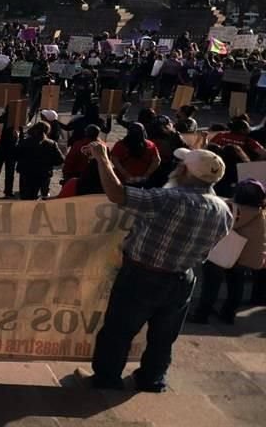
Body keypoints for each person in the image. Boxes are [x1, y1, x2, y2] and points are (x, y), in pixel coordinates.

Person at [81, 142, 231, 393]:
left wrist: (102, 158)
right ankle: (152, 379)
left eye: (182, 164)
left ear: (185, 172)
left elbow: (118, 194)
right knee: (164, 336)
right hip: (183, 278)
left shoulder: (167, 199)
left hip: (141, 275)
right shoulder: (224, 211)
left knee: (118, 331)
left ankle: (107, 378)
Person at [190, 178, 266, 324]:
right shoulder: (261, 214)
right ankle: (228, 314)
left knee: (211, 285)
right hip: (243, 258)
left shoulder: (229, 207)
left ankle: (202, 314)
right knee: (236, 284)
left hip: (221, 253)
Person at [15, 122, 64, 200]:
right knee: (42, 197)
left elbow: (16, 156)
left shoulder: (25, 142)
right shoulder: (51, 143)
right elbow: (60, 160)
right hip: (43, 174)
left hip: (27, 173)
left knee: (26, 198)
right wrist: (49, 163)